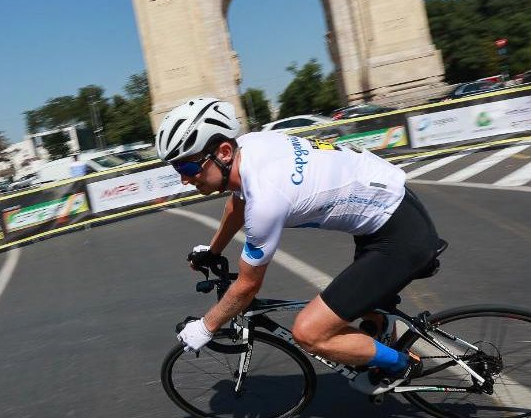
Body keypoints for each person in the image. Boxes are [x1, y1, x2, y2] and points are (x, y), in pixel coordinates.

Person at [156, 97, 443, 394]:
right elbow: (237, 203)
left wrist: (206, 326)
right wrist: (213, 251)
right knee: (358, 309)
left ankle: (403, 364)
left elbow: (247, 287)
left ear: (224, 152)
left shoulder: (266, 197)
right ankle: (380, 333)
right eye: (177, 168)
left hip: (397, 234)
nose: (184, 179)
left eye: (188, 165)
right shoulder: (250, 146)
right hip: (387, 211)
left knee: (309, 331)